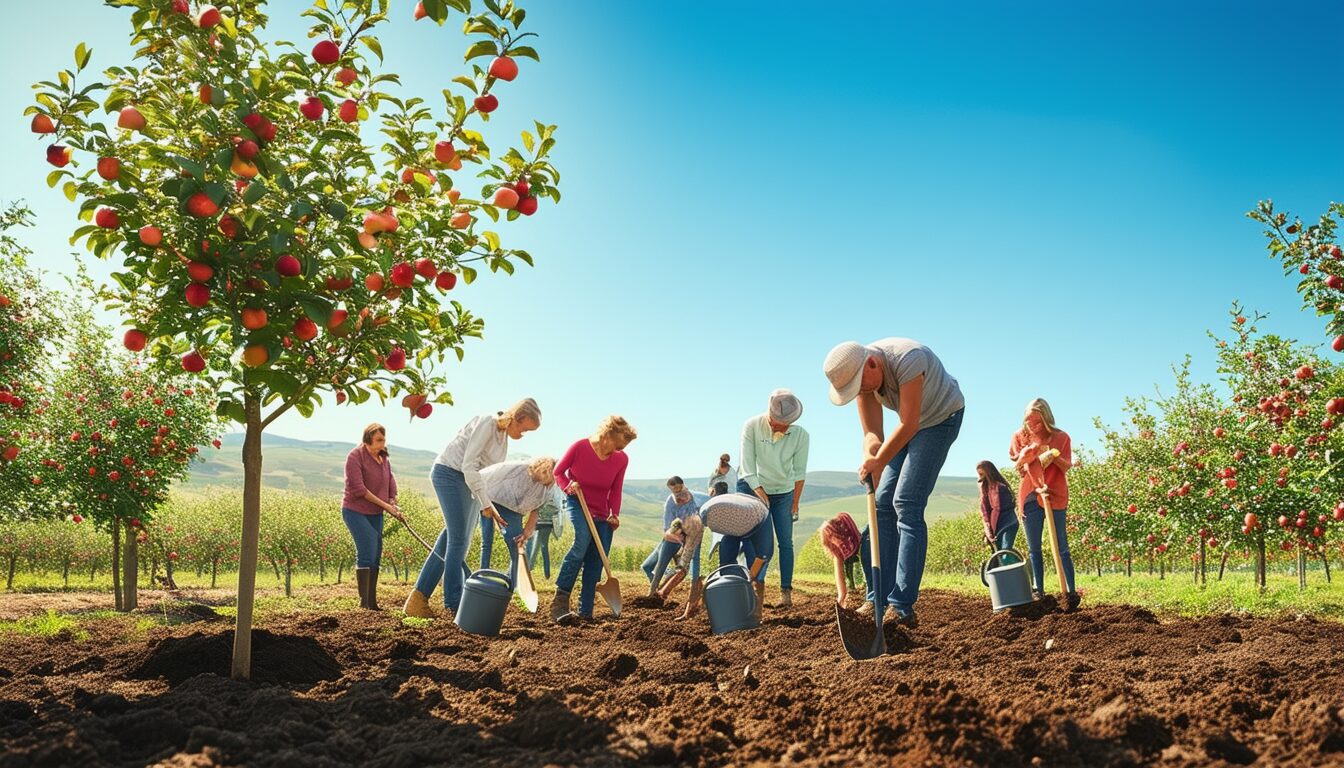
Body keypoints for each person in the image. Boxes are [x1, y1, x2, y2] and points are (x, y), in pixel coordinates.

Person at [823, 338, 965, 628]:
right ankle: (877, 598)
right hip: (908, 424)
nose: (862, 392)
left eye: (861, 387)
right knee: (881, 505)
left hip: (939, 419)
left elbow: (910, 423)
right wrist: (871, 454)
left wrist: (880, 461)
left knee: (907, 502)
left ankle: (901, 607)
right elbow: (872, 433)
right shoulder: (861, 377)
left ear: (872, 363)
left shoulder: (908, 360)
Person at [403, 399, 541, 618]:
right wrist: (486, 504)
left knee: (451, 537)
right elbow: (468, 465)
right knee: (460, 540)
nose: (524, 434)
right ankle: (454, 603)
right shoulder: (488, 423)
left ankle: (418, 599)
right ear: (519, 418)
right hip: (450, 473)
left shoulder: (503, 439)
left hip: (468, 483)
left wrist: (487, 502)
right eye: (525, 429)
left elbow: (487, 475)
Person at [551, 415, 638, 621]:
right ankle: (560, 602)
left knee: (597, 559)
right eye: (620, 445)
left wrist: (614, 514)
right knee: (581, 542)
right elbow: (558, 472)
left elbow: (616, 490)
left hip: (602, 510)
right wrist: (567, 486)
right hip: (577, 500)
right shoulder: (580, 447)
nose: (621, 450)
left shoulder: (621, 459)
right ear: (609, 436)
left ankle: (585, 612)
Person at [737, 388, 808, 608]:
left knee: (786, 542)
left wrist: (795, 503)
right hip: (753, 488)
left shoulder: (801, 436)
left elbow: (799, 472)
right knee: (759, 542)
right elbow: (748, 468)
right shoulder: (752, 426)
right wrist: (761, 495)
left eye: (786, 423)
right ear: (770, 416)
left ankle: (786, 593)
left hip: (784, 493)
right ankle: (753, 588)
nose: (780, 426)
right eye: (777, 422)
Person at [1009, 398, 1079, 608]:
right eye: (1029, 421)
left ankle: (1070, 593)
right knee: (1034, 548)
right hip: (1031, 494)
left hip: (1055, 493)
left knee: (1061, 547)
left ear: (1047, 419)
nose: (1032, 426)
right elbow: (1018, 464)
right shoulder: (1020, 436)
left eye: (1037, 422)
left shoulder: (1061, 437)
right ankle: (1038, 591)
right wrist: (1027, 457)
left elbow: (1066, 466)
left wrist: (1051, 453)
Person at [342, 423, 406, 610]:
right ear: (367, 440)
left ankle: (372, 602)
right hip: (355, 511)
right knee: (368, 547)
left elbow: (390, 480)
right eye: (379, 440)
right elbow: (359, 489)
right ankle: (364, 603)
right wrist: (386, 506)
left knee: (376, 553)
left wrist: (392, 500)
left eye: (384, 439)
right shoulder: (355, 456)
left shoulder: (383, 458)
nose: (382, 443)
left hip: (376, 513)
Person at [478, 457, 557, 587]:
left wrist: (527, 532)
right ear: (542, 470)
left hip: (514, 511)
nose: (545, 481)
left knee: (517, 546)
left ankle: (513, 585)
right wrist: (482, 500)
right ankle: (481, 578)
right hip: (491, 500)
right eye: (546, 475)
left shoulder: (548, 488)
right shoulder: (518, 468)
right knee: (487, 541)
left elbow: (536, 510)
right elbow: (488, 475)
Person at [702, 491, 772, 621]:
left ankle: (756, 611)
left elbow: (762, 556)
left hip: (754, 519)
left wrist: (749, 580)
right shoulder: (710, 515)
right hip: (730, 513)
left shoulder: (761, 528)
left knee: (757, 573)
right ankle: (733, 604)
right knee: (726, 565)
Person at [641, 477, 708, 595]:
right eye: (675, 491)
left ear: (684, 485)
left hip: (693, 536)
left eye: (679, 489)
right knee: (652, 567)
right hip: (673, 538)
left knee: (694, 558)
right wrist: (678, 538)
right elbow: (667, 529)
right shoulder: (671, 502)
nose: (678, 492)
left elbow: (711, 504)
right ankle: (656, 589)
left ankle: (693, 587)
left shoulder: (698, 497)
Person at [977, 461, 1019, 553]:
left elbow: (1000, 508)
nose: (980, 478)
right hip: (995, 527)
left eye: (982, 474)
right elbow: (985, 514)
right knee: (999, 553)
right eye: (979, 474)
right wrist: (988, 531)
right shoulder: (985, 490)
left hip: (1009, 523)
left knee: (1005, 550)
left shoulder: (1001, 488)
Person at [525, 487, 564, 579]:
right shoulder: (541, 493)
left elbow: (556, 509)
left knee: (543, 548)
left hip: (546, 525)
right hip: (539, 524)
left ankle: (546, 573)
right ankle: (530, 570)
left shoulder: (552, 494)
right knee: (536, 548)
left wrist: (541, 509)